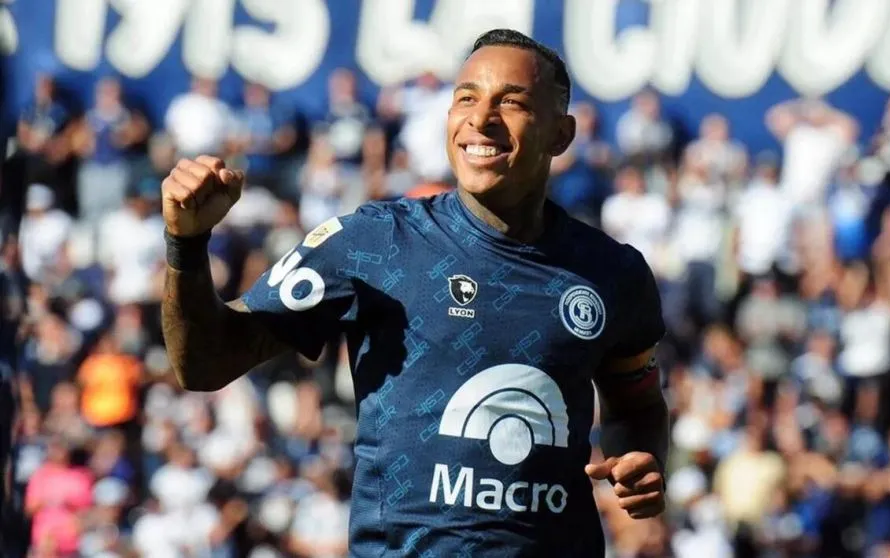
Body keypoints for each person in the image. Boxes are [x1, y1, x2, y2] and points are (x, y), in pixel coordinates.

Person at [159, 29, 669, 556]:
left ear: (561, 134)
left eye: (511, 102)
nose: (481, 118)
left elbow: (638, 404)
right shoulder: (374, 242)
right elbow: (203, 364)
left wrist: (642, 457)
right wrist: (187, 245)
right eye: (466, 98)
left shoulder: (613, 273)